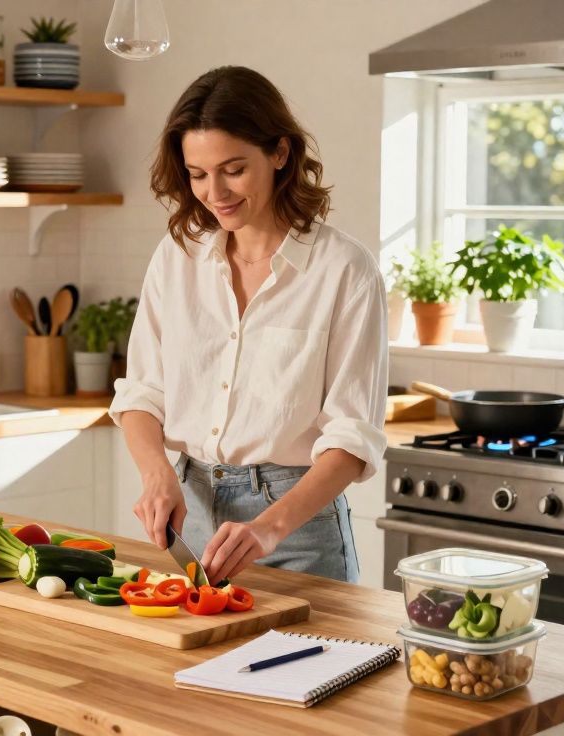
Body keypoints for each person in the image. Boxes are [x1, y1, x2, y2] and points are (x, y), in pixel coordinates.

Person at [107, 66, 388, 584]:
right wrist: (156, 472)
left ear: (280, 153)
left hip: (296, 530)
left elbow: (352, 438)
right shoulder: (176, 258)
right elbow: (142, 393)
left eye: (233, 169)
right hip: (190, 516)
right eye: (197, 174)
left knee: (305, 643)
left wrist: (268, 528)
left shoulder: (345, 270)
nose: (215, 192)